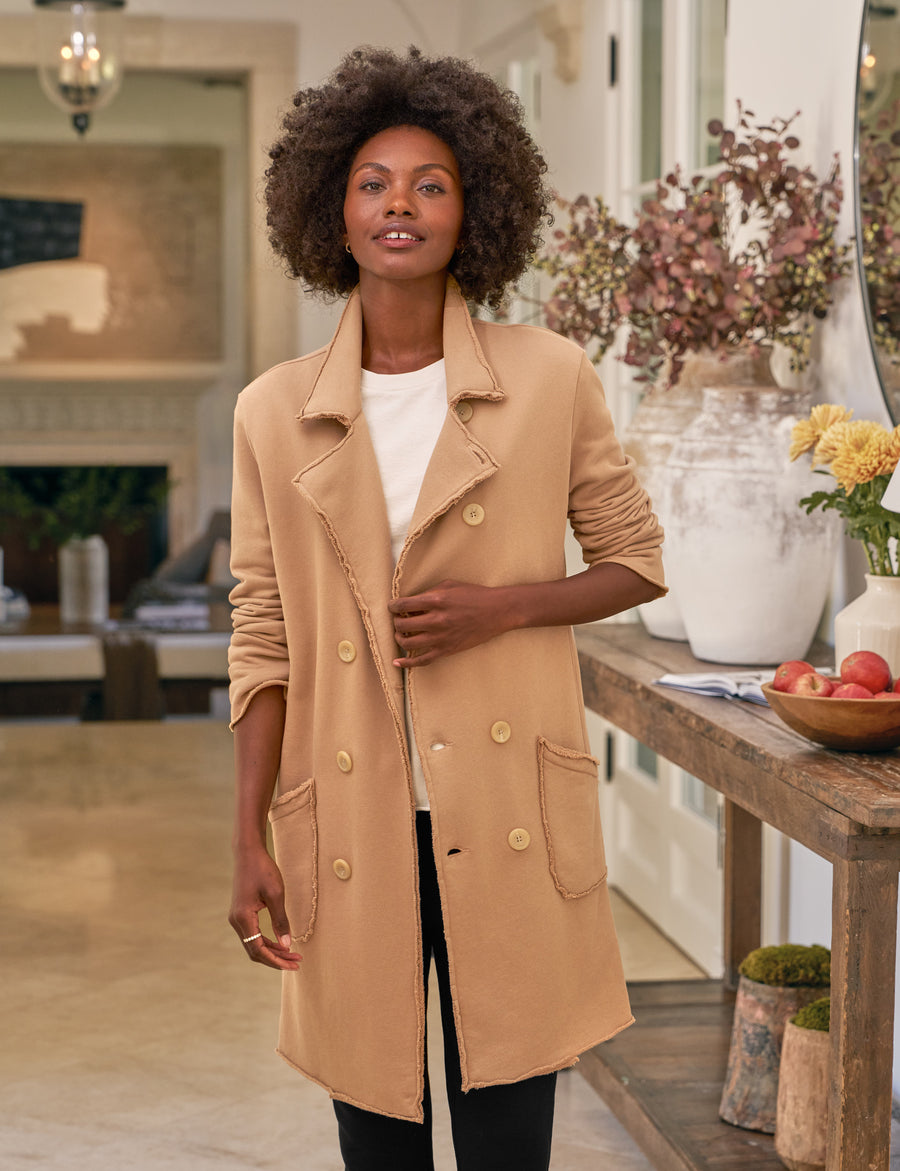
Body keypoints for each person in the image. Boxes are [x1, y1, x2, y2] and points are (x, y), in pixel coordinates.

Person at [227, 45, 666, 1171]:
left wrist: (504, 606)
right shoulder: (274, 411)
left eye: (430, 183)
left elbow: (635, 559)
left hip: (510, 797)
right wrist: (246, 834)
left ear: (474, 211)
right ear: (333, 212)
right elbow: (261, 631)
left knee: (511, 1136)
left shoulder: (552, 375)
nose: (400, 205)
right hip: (350, 813)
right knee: (375, 1129)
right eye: (373, 182)